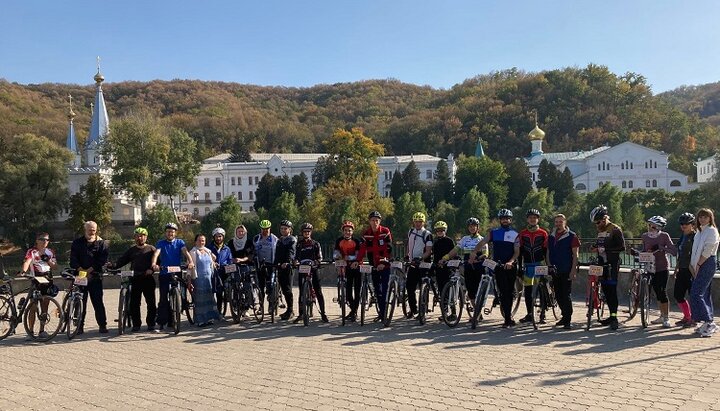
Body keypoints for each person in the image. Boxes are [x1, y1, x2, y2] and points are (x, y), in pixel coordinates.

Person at [469, 209, 518, 328]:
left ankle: (508, 318)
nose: (505, 220)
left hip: (510, 265)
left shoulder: (516, 234)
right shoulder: (494, 232)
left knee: (508, 292)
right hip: (498, 265)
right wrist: (474, 252)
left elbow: (517, 251)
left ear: (510, 220)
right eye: (503, 218)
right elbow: (482, 242)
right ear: (500, 220)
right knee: (503, 291)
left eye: (507, 218)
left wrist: (511, 261)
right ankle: (505, 315)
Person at [631, 216, 675, 328]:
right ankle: (661, 316)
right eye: (649, 225)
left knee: (662, 291)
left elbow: (673, 251)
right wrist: (636, 252)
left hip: (662, 267)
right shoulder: (645, 236)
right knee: (656, 292)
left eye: (653, 226)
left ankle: (666, 318)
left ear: (659, 227)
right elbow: (645, 250)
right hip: (650, 267)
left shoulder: (664, 236)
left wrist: (661, 248)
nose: (650, 227)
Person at [110, 227, 157, 332]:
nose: (139, 238)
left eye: (142, 236)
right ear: (135, 238)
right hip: (135, 278)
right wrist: (112, 266)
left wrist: (152, 270)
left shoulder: (151, 249)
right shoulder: (131, 250)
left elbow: (158, 263)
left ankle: (151, 324)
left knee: (151, 302)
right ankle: (136, 324)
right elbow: (122, 261)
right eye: (137, 236)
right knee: (134, 303)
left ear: (146, 237)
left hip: (148, 278)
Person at [151, 223, 195, 330]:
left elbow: (186, 252)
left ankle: (180, 309)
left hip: (177, 271)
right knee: (163, 297)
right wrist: (154, 264)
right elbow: (156, 253)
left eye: (172, 232)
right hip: (164, 272)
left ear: (175, 233)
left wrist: (191, 262)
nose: (170, 233)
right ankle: (162, 321)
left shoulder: (180, 242)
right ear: (165, 233)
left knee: (180, 294)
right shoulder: (161, 243)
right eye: (168, 231)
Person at [510, 209, 549, 324]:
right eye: (530, 217)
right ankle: (529, 314)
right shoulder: (522, 233)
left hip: (540, 264)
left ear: (538, 219)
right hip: (528, 265)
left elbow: (546, 250)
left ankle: (543, 313)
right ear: (527, 219)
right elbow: (520, 251)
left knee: (541, 288)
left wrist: (548, 265)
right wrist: (520, 267)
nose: (532, 219)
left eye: (534, 217)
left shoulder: (543, 233)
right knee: (528, 290)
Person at [69, 221, 109, 334]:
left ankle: (102, 325)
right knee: (80, 302)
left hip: (95, 276)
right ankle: (79, 327)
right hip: (80, 275)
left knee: (98, 302)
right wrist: (81, 270)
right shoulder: (77, 243)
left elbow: (102, 260)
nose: (92, 232)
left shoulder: (102, 244)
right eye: (90, 229)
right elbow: (73, 259)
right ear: (85, 229)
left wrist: (90, 270)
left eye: (94, 230)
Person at [590, 205, 625, 330]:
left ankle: (614, 317)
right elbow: (599, 244)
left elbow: (622, 247)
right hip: (601, 264)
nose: (596, 225)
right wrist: (594, 247)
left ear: (605, 218)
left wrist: (606, 249)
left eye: (598, 222)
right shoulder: (600, 230)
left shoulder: (615, 229)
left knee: (612, 291)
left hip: (612, 263)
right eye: (595, 223)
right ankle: (610, 315)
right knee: (605, 289)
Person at [441, 217, 486, 316]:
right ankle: (477, 313)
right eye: (470, 226)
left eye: (474, 226)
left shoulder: (482, 239)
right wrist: (445, 257)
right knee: (471, 291)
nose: (472, 228)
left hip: (478, 266)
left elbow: (485, 253)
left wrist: (479, 258)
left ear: (478, 227)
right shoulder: (465, 239)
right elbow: (455, 250)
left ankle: (477, 312)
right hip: (468, 266)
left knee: (477, 289)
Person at [21, 232, 59, 339]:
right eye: (42, 239)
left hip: (47, 280)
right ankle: (30, 331)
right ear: (37, 240)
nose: (45, 242)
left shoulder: (50, 252)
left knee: (44, 307)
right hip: (36, 280)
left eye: (47, 240)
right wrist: (24, 271)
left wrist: (49, 261)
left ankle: (42, 331)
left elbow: (55, 266)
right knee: (33, 306)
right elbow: (27, 262)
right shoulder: (32, 251)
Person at [357, 211, 393, 322]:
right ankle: (381, 314)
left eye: (377, 220)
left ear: (380, 221)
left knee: (384, 290)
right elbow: (362, 249)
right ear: (369, 221)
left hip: (384, 265)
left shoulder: (385, 231)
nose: (374, 222)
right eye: (372, 220)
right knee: (377, 290)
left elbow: (389, 249)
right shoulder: (366, 234)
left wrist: (383, 263)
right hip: (373, 265)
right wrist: (358, 261)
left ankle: (384, 314)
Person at [546, 214, 580, 330]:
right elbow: (548, 251)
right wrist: (549, 265)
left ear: (565, 222)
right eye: (556, 222)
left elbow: (575, 255)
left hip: (566, 269)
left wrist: (573, 270)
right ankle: (564, 316)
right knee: (558, 295)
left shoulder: (572, 236)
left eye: (560, 222)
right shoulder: (551, 236)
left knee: (566, 295)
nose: (558, 224)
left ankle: (567, 320)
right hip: (554, 269)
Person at [690, 208, 719, 337]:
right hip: (700, 263)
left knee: (696, 293)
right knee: (704, 294)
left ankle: (709, 322)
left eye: (705, 217)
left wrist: (699, 264)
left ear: (710, 218)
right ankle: (707, 321)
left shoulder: (711, 231)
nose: (702, 219)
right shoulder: (700, 232)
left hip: (706, 262)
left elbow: (708, 250)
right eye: (700, 217)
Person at [293, 223, 328, 323]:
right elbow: (295, 257)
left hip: (313, 268)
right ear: (302, 233)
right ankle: (300, 314)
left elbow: (320, 257)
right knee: (301, 292)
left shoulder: (315, 244)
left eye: (308, 231)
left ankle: (323, 313)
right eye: (305, 231)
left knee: (318, 291)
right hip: (302, 268)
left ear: (311, 232)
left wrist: (317, 262)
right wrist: (295, 262)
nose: (306, 233)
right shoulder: (299, 244)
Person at [404, 212, 433, 318]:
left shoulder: (427, 234)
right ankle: (413, 309)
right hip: (412, 263)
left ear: (423, 222)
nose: (418, 224)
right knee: (409, 287)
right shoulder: (410, 231)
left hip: (423, 264)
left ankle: (423, 310)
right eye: (416, 221)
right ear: (413, 222)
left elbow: (429, 251)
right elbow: (409, 245)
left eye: (420, 222)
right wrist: (407, 255)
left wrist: (421, 258)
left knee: (423, 287)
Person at [189, 234, 220, 326]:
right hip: (198, 279)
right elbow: (189, 267)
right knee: (199, 299)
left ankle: (209, 318)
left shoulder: (208, 251)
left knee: (209, 298)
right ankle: (200, 320)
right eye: (199, 240)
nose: (201, 242)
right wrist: (189, 280)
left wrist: (214, 264)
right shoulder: (193, 253)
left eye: (203, 240)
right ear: (195, 241)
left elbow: (213, 260)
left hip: (208, 279)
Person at [334, 220, 362, 322]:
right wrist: (337, 257)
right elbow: (336, 252)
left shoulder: (357, 241)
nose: (347, 232)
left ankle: (354, 312)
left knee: (357, 291)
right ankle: (353, 311)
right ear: (343, 231)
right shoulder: (339, 240)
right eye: (345, 230)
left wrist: (347, 258)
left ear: (352, 231)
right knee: (348, 291)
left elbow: (358, 255)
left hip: (356, 267)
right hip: (347, 268)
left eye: (349, 230)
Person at [673, 213, 696, 327]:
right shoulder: (683, 236)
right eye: (681, 224)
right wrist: (676, 268)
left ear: (692, 224)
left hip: (691, 270)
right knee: (678, 294)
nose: (683, 226)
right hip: (682, 268)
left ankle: (693, 319)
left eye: (686, 223)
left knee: (693, 295)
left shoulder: (695, 236)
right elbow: (680, 254)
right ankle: (687, 316)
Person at [431, 221, 455, 321]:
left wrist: (449, 262)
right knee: (441, 291)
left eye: (442, 230)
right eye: (438, 230)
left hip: (448, 268)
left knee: (450, 291)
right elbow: (434, 255)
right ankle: (444, 312)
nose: (440, 232)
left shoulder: (449, 241)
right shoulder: (435, 242)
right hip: (438, 268)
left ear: (445, 231)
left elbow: (453, 253)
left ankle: (453, 312)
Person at [253, 220, 278, 307]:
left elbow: (277, 251)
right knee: (260, 286)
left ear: (270, 229)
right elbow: (253, 251)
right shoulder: (256, 238)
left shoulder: (274, 239)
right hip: (260, 265)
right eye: (263, 229)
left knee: (270, 285)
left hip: (271, 264)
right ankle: (261, 305)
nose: (265, 231)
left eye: (267, 229)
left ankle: (271, 304)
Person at [275, 220, 297, 320]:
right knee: (283, 289)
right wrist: (275, 263)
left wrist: (288, 262)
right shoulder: (280, 240)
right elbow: (277, 254)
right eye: (282, 228)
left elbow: (291, 252)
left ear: (290, 230)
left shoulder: (292, 239)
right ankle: (288, 309)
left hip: (288, 267)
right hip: (280, 267)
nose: (283, 230)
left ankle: (290, 310)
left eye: (285, 228)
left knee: (287, 289)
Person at [208, 227, 233, 316]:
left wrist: (229, 265)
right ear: (214, 237)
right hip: (213, 271)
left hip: (224, 271)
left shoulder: (227, 249)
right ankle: (215, 310)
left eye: (220, 236)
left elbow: (230, 260)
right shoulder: (209, 248)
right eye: (217, 236)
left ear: (223, 237)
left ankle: (222, 308)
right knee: (216, 292)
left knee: (224, 290)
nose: (218, 238)